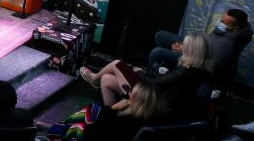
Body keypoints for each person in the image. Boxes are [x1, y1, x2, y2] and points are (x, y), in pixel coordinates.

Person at [55, 82, 173, 141]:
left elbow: (94, 133)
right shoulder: (154, 119)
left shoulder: (126, 122)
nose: (129, 94)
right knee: (94, 108)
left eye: (131, 93)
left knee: (80, 128)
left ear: (135, 100)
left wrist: (112, 109)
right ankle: (60, 126)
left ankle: (57, 130)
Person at [79, 33, 210, 108]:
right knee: (107, 79)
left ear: (190, 51)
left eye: (184, 46)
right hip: (155, 97)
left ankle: (94, 78)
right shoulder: (197, 71)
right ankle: (110, 113)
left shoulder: (183, 72)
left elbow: (153, 85)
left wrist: (139, 72)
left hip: (147, 99)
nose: (181, 47)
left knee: (117, 64)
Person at [148, 8, 251, 75]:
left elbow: (209, 66)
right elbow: (206, 43)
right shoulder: (226, 30)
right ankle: (169, 69)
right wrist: (188, 46)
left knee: (156, 52)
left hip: (198, 63)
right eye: (221, 20)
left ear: (236, 28)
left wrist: (185, 51)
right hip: (196, 49)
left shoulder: (227, 45)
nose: (220, 23)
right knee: (160, 35)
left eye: (224, 22)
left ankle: (153, 78)